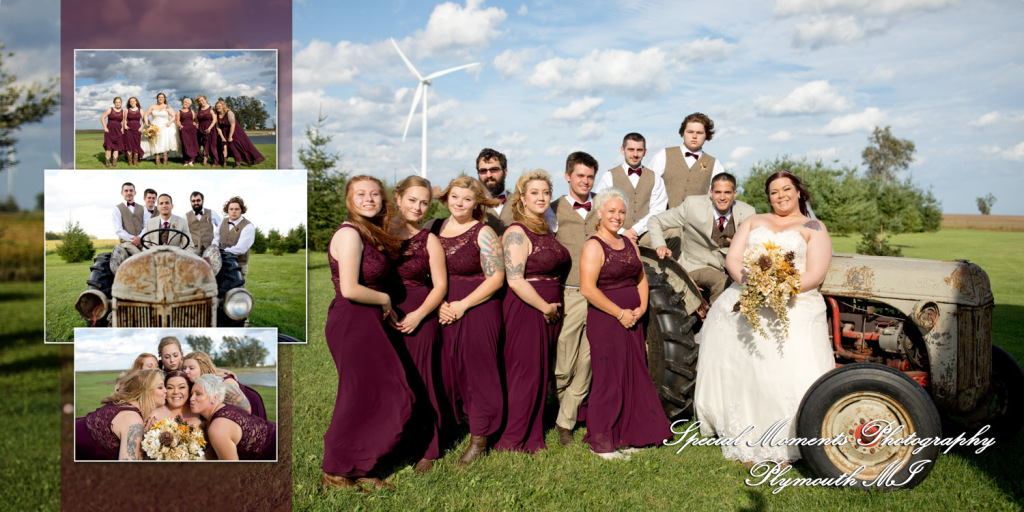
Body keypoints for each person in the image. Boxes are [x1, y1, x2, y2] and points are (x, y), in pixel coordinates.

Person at [694, 170, 834, 464]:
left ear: (799, 192)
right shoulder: (753, 221)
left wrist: (780, 289)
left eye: (786, 189)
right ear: (767, 197)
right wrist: (754, 285)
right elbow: (733, 259)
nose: (781, 196)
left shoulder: (813, 226)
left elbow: (816, 273)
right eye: (774, 192)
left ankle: (787, 440)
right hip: (747, 296)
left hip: (794, 304)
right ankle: (745, 435)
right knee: (747, 373)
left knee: (787, 372)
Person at [321, 176, 413, 491]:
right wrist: (386, 300)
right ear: (349, 200)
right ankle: (335, 469)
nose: (369, 199)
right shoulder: (349, 234)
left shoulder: (369, 232)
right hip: (353, 321)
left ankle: (361, 464)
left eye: (374, 194)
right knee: (358, 396)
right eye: (360, 194)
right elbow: (349, 288)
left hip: (368, 322)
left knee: (380, 393)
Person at [579, 187, 672, 460]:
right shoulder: (593, 245)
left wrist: (641, 308)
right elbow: (588, 288)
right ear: (599, 213)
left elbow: (640, 278)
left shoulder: (629, 242)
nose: (617, 216)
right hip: (607, 319)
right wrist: (620, 313)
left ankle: (629, 434)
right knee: (609, 379)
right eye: (611, 211)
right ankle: (602, 441)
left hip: (633, 318)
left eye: (621, 212)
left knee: (632, 375)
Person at [426, 176, 505, 464]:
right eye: (455, 197)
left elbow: (496, 277)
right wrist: (438, 305)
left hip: (477, 306)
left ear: (476, 203)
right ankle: (449, 426)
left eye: (467, 199)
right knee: (446, 370)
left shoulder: (483, 232)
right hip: (442, 305)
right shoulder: (433, 227)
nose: (460, 203)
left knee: (477, 372)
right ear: (446, 198)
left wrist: (463, 304)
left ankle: (480, 436)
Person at [495, 169, 570, 454]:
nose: (541, 198)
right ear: (522, 199)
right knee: (524, 372)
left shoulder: (546, 228)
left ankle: (532, 429)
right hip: (527, 308)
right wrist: (544, 307)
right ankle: (514, 438)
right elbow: (514, 279)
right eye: (534, 193)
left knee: (539, 372)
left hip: (547, 308)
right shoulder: (516, 232)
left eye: (545, 193)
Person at [385, 176, 448, 474]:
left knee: (422, 380)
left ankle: (429, 446)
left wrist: (419, 315)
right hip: (383, 315)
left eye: (424, 203)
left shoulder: (429, 240)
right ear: (398, 198)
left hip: (419, 316)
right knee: (390, 383)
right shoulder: (379, 232)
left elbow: (440, 286)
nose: (418, 207)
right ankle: (394, 440)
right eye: (412, 200)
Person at [544, 151, 599, 446]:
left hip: (600, 293)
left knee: (588, 361)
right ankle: (567, 409)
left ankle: (565, 423)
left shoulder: (602, 206)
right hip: (570, 291)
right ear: (568, 176)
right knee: (564, 362)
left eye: (590, 176)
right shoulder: (552, 210)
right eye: (580, 175)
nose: (585, 181)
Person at [648, 172, 756, 303]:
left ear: (735, 194)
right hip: (696, 265)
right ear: (711, 193)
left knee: (753, 282)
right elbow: (655, 221)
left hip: (731, 266)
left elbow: (755, 244)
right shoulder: (692, 205)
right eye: (718, 192)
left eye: (727, 192)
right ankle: (713, 321)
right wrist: (660, 245)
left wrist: (742, 245)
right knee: (721, 281)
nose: (722, 197)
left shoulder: (748, 212)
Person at [593, 133, 667, 246]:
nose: (635, 154)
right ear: (622, 150)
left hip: (645, 234)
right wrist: (622, 231)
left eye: (639, 150)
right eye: (631, 149)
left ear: (645, 152)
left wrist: (635, 230)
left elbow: (658, 210)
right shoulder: (609, 176)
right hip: (615, 233)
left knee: (674, 233)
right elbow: (600, 209)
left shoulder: (655, 178)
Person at [75, 369, 166, 460]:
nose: (166, 391)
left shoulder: (122, 405)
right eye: (160, 387)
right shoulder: (132, 420)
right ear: (144, 391)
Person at [646, 112, 726, 209]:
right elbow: (647, 189)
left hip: (698, 222)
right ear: (683, 133)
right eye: (690, 132)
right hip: (663, 220)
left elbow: (720, 197)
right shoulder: (663, 155)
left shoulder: (715, 164)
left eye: (699, 133)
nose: (694, 136)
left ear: (706, 135)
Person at [190, 374, 276, 461]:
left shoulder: (218, 428)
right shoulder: (225, 408)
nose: (191, 398)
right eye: (191, 394)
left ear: (214, 397)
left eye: (198, 394)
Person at [182, 350, 265, 420]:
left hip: (251, 405)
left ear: (203, 368)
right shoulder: (198, 383)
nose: (186, 371)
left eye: (191, 368)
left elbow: (246, 410)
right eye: (184, 368)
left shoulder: (225, 384)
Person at [214, 99, 265, 167]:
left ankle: (238, 163)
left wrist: (230, 137)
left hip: (234, 132)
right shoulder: (216, 115)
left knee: (234, 147)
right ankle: (224, 162)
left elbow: (232, 125)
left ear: (223, 106)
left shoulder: (229, 113)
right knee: (223, 147)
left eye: (219, 106)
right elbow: (218, 127)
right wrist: (222, 137)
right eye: (217, 106)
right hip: (223, 133)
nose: (218, 108)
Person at [477, 148, 514, 236]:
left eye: (494, 169)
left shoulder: (520, 202)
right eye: (483, 171)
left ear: (505, 172)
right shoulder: (471, 205)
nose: (489, 175)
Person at [220, 196, 255, 282]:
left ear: (242, 210)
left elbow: (241, 249)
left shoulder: (248, 226)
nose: (233, 211)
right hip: (222, 264)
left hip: (239, 265)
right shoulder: (222, 221)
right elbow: (217, 239)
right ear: (227, 210)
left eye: (237, 209)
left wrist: (221, 252)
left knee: (237, 293)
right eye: (231, 209)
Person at [112, 182, 150, 257]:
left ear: (135, 192)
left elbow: (147, 226)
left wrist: (139, 238)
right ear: (122, 193)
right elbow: (118, 229)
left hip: (142, 241)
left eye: (131, 190)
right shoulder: (117, 209)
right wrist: (134, 240)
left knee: (152, 254)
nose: (129, 193)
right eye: (126, 191)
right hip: (127, 243)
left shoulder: (143, 209)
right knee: (140, 256)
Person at [141, 92, 179, 166]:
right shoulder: (152, 106)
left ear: (164, 99)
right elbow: (145, 115)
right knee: (156, 143)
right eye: (159, 97)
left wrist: (170, 122)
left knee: (164, 142)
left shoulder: (167, 107)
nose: (160, 98)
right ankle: (157, 161)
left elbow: (174, 116)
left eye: (162, 97)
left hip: (165, 127)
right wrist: (147, 123)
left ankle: (165, 161)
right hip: (155, 126)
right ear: (157, 98)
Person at [186, 191, 222, 256]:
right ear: (190, 202)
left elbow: (222, 227)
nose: (196, 203)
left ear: (203, 201)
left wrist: (216, 241)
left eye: (198, 200)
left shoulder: (212, 213)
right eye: (193, 201)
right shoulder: (185, 216)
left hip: (210, 251)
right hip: (194, 252)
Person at [195, 95, 220, 167]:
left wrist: (209, 128)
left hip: (210, 130)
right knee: (203, 145)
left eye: (202, 100)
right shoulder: (198, 110)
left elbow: (214, 120)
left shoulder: (211, 108)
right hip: (201, 130)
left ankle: (215, 161)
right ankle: (204, 160)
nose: (201, 102)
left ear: (205, 99)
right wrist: (197, 127)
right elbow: (197, 121)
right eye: (199, 101)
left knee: (212, 146)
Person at [100, 97, 125, 168]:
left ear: (121, 103)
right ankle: (107, 163)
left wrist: (123, 128)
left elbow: (123, 121)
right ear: (114, 103)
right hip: (109, 131)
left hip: (118, 131)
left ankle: (114, 162)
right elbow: (102, 117)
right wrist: (105, 127)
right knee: (108, 147)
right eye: (116, 102)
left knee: (116, 148)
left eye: (119, 102)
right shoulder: (110, 109)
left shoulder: (123, 112)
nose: (118, 104)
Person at [177, 97, 200, 167]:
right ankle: (185, 161)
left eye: (187, 103)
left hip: (191, 130)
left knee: (192, 144)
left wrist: (195, 124)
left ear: (189, 104)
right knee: (185, 145)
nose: (186, 104)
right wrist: (180, 126)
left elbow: (194, 120)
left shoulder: (192, 111)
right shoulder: (179, 112)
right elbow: (177, 121)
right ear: (183, 103)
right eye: (185, 102)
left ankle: (191, 160)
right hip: (184, 129)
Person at [123, 97, 144, 167]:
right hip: (128, 129)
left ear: (136, 102)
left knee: (136, 144)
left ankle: (135, 162)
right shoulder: (127, 110)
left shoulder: (140, 110)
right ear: (129, 103)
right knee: (129, 144)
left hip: (137, 129)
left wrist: (141, 127)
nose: (132, 102)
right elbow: (124, 120)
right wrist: (125, 125)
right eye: (131, 101)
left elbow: (143, 120)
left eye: (133, 101)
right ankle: (129, 162)